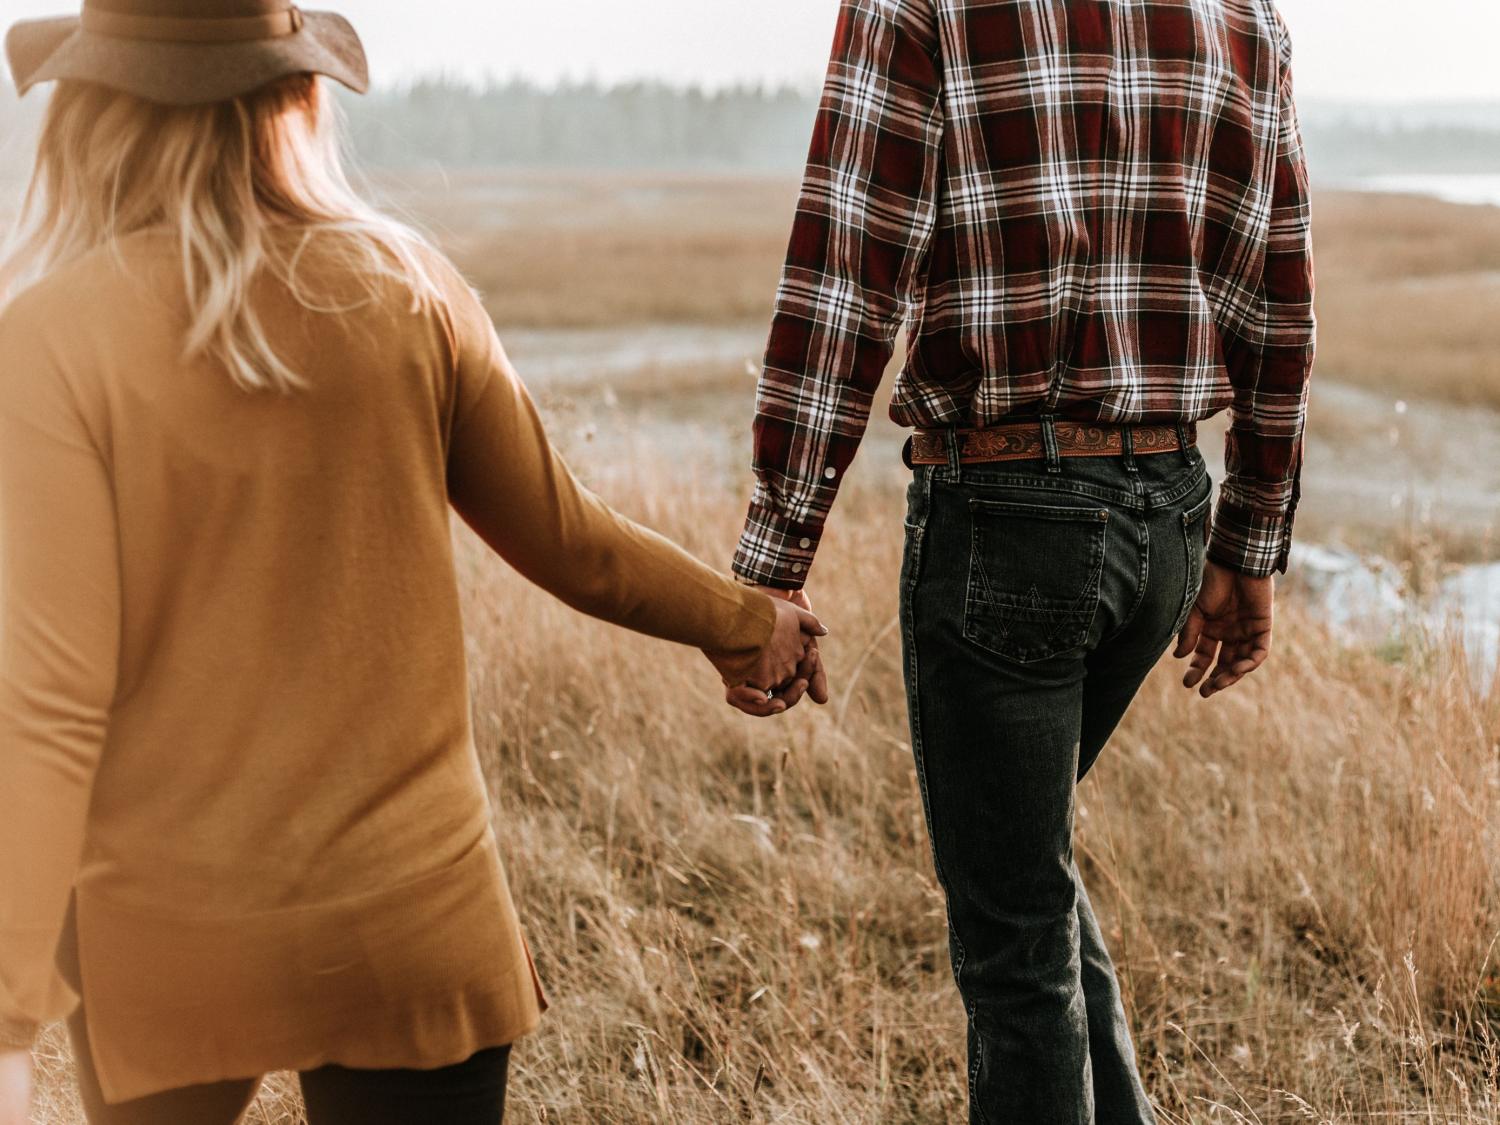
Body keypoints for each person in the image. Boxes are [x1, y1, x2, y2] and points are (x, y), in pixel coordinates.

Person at [0, 3, 827, 1123]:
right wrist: (746, 622)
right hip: (411, 922)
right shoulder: (408, 288)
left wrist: (7, 1017)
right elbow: (570, 539)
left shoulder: (49, 340)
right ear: (295, 100)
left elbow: (47, 703)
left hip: (174, 936)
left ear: (91, 111)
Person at [732, 0, 1315, 1120]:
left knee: (1012, 948)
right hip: (1167, 515)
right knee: (1026, 876)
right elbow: (1274, 288)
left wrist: (776, 557)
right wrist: (1248, 536)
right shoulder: (1240, 12)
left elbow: (848, 273)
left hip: (1008, 514)